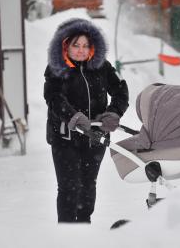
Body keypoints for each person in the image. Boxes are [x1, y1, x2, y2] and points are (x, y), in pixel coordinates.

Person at [44, 18, 129, 223]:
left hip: (95, 138)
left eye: (86, 45)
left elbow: (120, 91)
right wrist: (74, 117)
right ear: (65, 45)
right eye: (76, 45)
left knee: (88, 186)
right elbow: (54, 98)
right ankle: (66, 233)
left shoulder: (101, 67)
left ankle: (84, 229)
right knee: (69, 188)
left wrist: (113, 114)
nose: (81, 50)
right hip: (65, 139)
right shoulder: (57, 69)